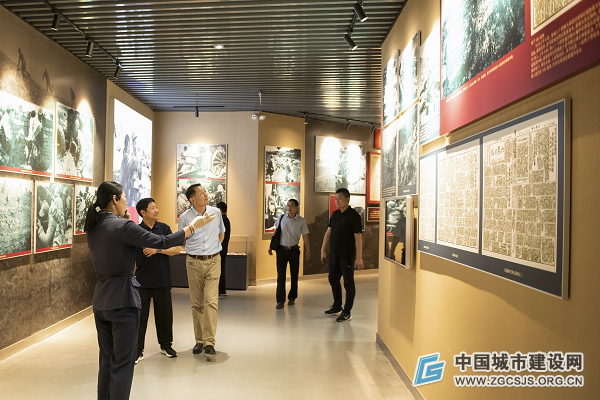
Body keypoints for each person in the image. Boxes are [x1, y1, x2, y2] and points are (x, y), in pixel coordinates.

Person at [85, 181, 214, 399]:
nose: (126, 201)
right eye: (124, 197)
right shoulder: (123, 227)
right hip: (123, 300)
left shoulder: (93, 226)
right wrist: (192, 227)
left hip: (101, 301)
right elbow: (162, 241)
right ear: (114, 199)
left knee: (106, 360)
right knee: (123, 363)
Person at [178, 184, 226, 361]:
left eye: (205, 191)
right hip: (194, 262)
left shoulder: (216, 212)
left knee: (211, 302)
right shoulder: (185, 217)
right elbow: (182, 240)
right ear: (192, 200)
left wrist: (213, 249)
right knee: (197, 303)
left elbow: (221, 234)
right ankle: (199, 340)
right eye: (201, 193)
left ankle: (209, 342)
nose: (205, 194)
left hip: (214, 261)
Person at [134, 198, 182, 364]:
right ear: (143, 212)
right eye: (152, 208)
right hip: (142, 282)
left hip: (162, 279)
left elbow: (177, 250)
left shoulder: (164, 228)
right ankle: (137, 350)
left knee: (165, 315)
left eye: (156, 207)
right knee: (140, 318)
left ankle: (166, 345)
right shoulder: (137, 230)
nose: (156, 210)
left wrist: (158, 250)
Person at [320, 188, 363, 322]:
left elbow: (358, 238)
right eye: (336, 198)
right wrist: (323, 250)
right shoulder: (335, 214)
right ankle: (337, 305)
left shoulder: (354, 216)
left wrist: (359, 258)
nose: (337, 201)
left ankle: (347, 312)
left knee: (348, 284)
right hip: (334, 254)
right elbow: (328, 233)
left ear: (347, 200)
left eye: (340, 198)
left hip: (347, 255)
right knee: (333, 279)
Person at [268, 199, 310, 309]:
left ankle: (292, 297)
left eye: (291, 206)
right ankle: (280, 301)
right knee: (281, 276)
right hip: (281, 251)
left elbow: (305, 236)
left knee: (294, 275)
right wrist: (271, 246)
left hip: (294, 251)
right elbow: (275, 233)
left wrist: (308, 251)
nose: (289, 208)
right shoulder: (281, 218)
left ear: (297, 208)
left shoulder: (301, 221)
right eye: (287, 205)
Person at [216, 201, 230, 298]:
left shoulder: (223, 220)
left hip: (220, 249)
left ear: (219, 209)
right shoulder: (225, 219)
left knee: (219, 269)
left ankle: (220, 289)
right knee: (221, 268)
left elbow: (222, 236)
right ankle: (221, 290)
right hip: (222, 248)